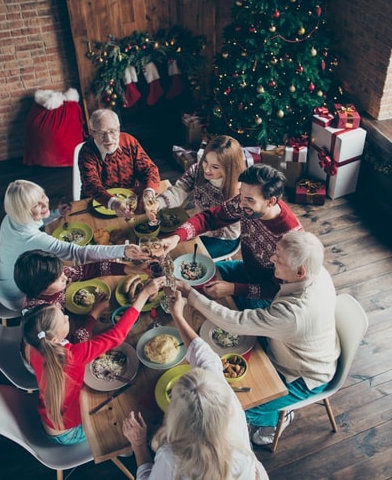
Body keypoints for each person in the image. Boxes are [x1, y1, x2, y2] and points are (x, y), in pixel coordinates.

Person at [176, 231, 339, 446]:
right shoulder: (318, 272)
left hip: (303, 375)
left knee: (243, 406)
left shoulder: (294, 314)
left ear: (300, 271)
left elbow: (234, 322)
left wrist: (191, 295)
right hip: (295, 344)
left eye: (278, 259)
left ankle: (273, 421)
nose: (272, 259)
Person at [121, 290, 268, 480]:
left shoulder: (171, 456)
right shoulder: (231, 405)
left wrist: (138, 444)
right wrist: (178, 317)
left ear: (176, 417)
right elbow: (208, 360)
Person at [22, 276, 165, 445]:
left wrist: (93, 314)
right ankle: (125, 449)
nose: (68, 318)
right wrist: (143, 295)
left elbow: (73, 342)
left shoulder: (32, 345)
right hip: (69, 433)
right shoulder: (73, 356)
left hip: (49, 420)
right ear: (54, 340)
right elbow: (117, 335)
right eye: (64, 320)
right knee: (128, 412)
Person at [160, 164, 303, 309]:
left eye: (249, 199)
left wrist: (232, 288)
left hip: (267, 295)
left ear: (271, 201)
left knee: (214, 313)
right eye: (241, 194)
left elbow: (276, 289)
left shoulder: (291, 238)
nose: (241, 203)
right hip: (245, 270)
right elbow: (209, 219)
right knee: (191, 281)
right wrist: (176, 237)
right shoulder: (245, 203)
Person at [0, 179, 147, 309]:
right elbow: (78, 253)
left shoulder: (10, 218)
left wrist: (54, 214)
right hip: (17, 296)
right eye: (36, 205)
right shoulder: (34, 239)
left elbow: (32, 221)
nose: (44, 203)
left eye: (42, 196)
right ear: (23, 212)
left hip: (3, 278)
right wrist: (123, 250)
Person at [14, 249, 149, 341]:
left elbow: (93, 269)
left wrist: (131, 269)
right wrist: (94, 314)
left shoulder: (56, 276)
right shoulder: (41, 314)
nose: (65, 277)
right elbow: (73, 342)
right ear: (41, 290)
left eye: (62, 271)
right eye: (58, 278)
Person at [153, 135, 246, 259]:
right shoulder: (198, 170)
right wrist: (157, 203)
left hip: (224, 238)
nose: (206, 169)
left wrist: (194, 230)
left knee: (181, 259)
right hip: (200, 226)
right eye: (205, 161)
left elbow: (227, 231)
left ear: (229, 168)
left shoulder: (241, 192)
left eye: (215, 167)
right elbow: (179, 189)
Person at [78, 109, 160, 219]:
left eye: (112, 131)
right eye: (102, 133)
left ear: (119, 129)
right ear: (92, 133)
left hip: (131, 200)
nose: (108, 139)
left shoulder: (129, 141)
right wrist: (114, 203)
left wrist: (149, 193)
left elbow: (149, 169)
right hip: (97, 204)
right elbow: (92, 185)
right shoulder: (86, 152)